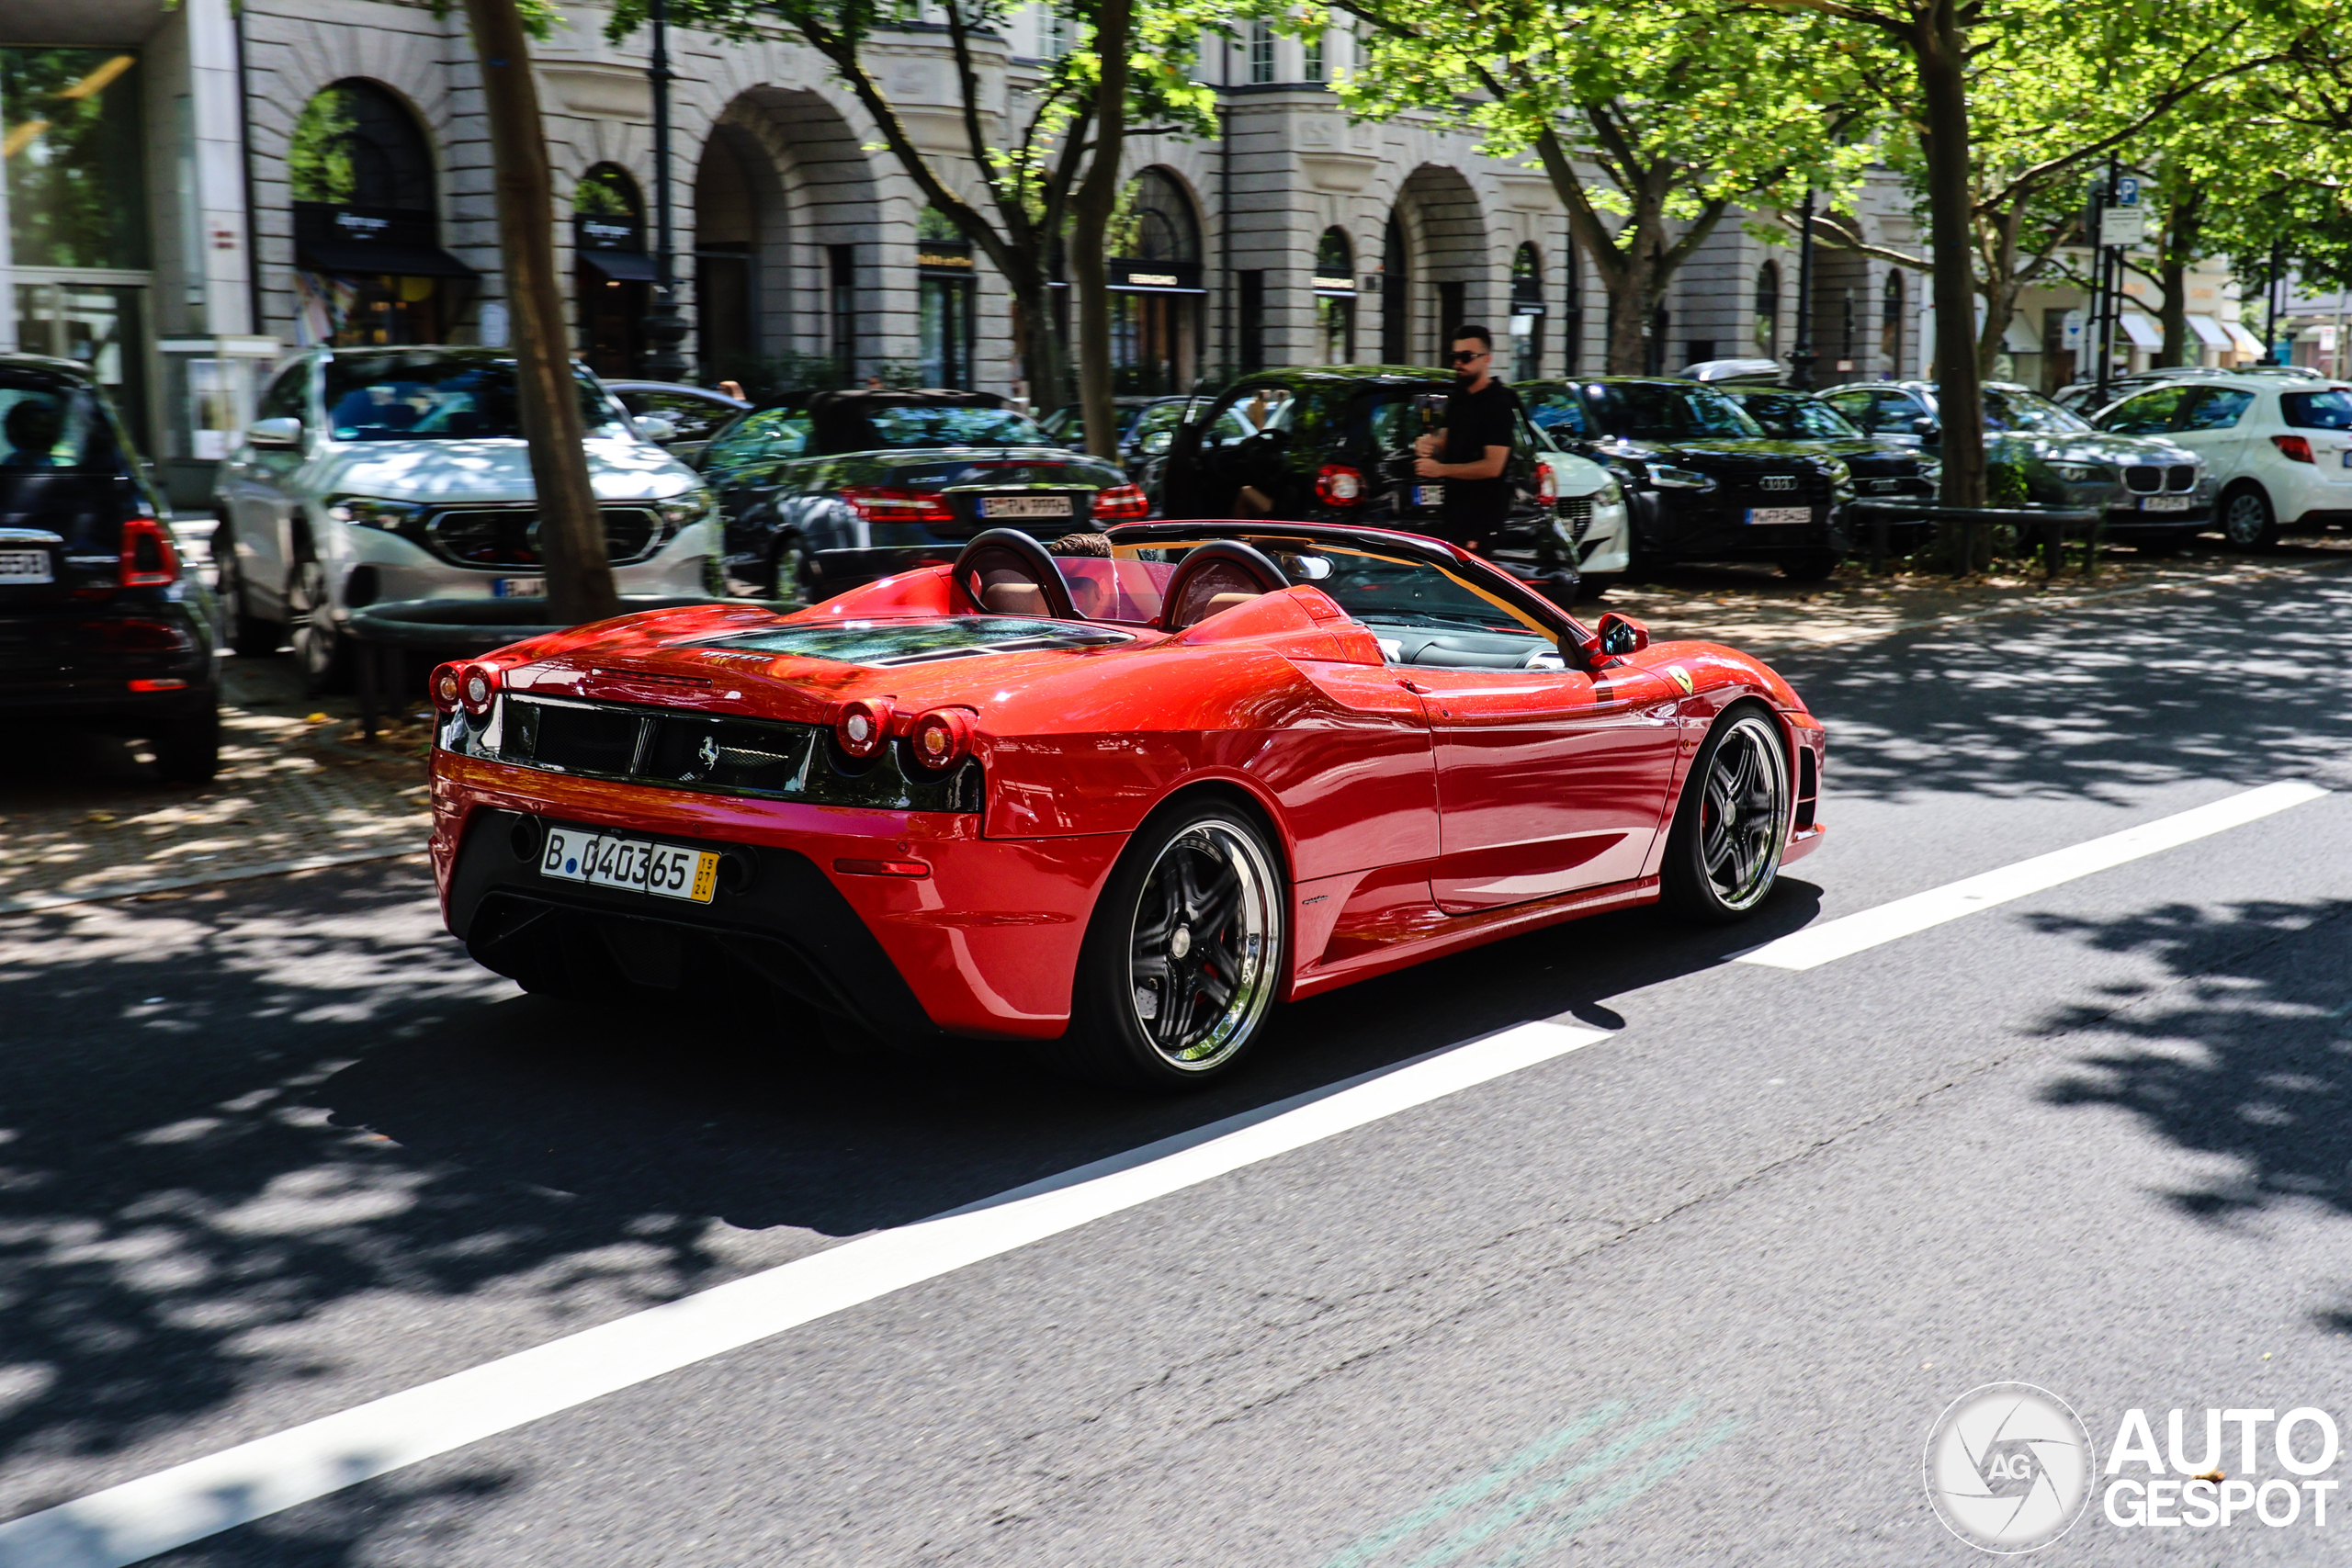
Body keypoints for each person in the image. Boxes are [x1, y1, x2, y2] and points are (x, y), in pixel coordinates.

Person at [1414, 325, 1520, 554]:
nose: (1458, 364)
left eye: (1466, 357)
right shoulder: (1460, 397)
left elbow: (1493, 466)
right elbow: (1446, 442)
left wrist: (1440, 469)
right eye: (1455, 357)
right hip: (1454, 515)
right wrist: (1428, 444)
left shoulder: (1497, 404)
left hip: (1482, 519)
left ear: (1487, 359)